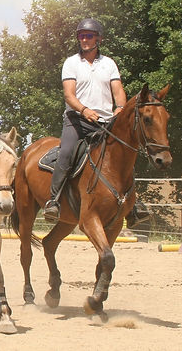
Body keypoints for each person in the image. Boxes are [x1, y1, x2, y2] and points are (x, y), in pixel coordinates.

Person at [43, 18, 150, 225]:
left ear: (98, 38)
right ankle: (53, 201)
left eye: (89, 36)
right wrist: (84, 110)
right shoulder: (71, 63)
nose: (84, 39)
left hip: (106, 121)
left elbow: (118, 90)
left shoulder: (109, 63)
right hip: (77, 120)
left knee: (124, 156)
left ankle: (132, 205)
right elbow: (69, 95)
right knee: (66, 153)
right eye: (81, 35)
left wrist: (120, 108)